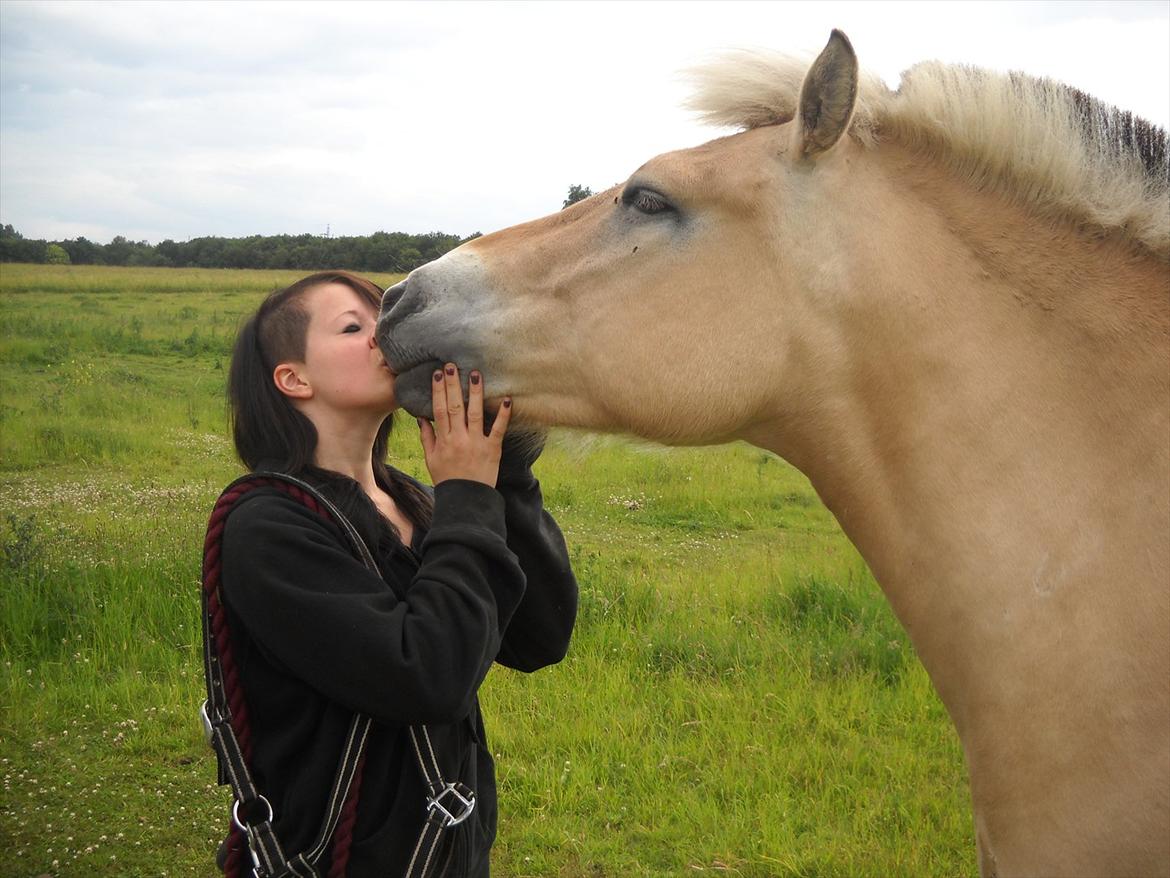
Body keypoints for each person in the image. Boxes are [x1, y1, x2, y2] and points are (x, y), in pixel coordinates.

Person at [215, 270, 578, 876]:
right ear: (293, 378)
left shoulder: (407, 500)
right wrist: (464, 493)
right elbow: (428, 676)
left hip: (448, 857)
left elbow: (538, 638)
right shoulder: (267, 527)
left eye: (382, 319)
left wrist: (505, 480)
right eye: (353, 327)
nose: (382, 335)